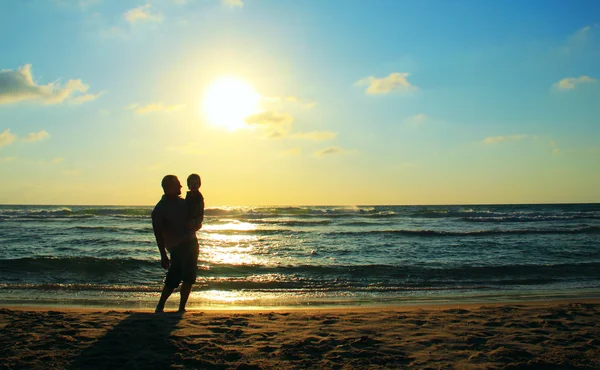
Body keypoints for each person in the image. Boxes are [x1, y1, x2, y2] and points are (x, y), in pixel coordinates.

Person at [151, 175, 201, 313]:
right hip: (178, 247)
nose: (180, 187)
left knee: (189, 277)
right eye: (177, 184)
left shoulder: (183, 203)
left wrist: (197, 223)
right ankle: (160, 305)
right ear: (169, 188)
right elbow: (158, 235)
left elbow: (195, 216)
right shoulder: (160, 210)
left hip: (191, 242)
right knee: (173, 277)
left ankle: (181, 307)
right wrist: (163, 255)